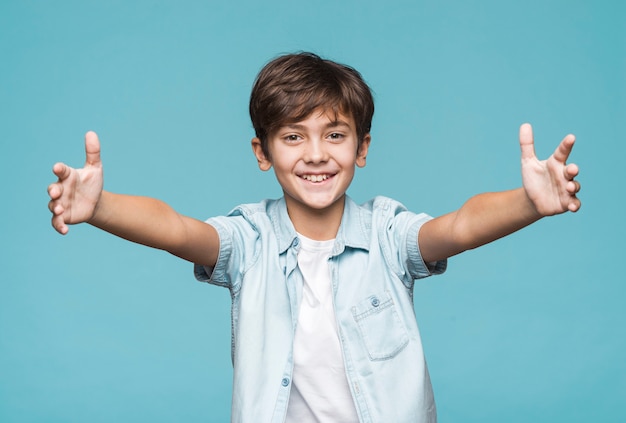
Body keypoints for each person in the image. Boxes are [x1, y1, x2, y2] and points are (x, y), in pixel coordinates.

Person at [47, 52, 581, 423]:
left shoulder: (387, 234)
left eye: (335, 135)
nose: (317, 154)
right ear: (263, 153)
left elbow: (460, 226)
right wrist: (100, 208)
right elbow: (178, 230)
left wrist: (529, 203)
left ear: (362, 148)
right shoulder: (249, 239)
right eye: (293, 136)